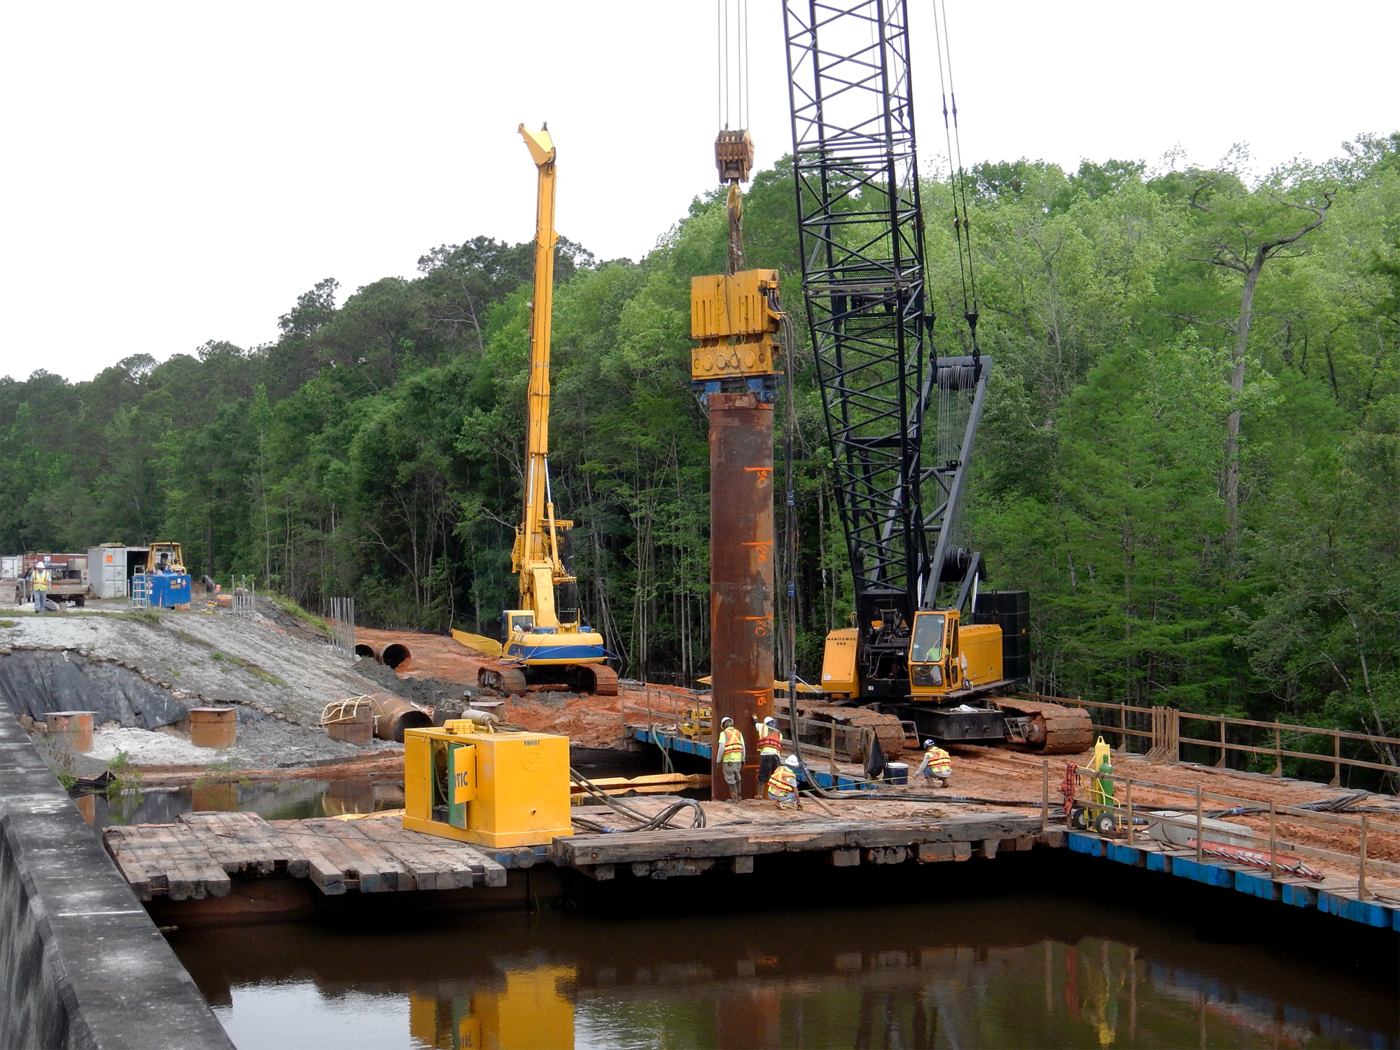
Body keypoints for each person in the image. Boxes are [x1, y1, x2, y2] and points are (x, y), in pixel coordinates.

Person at [718, 716, 745, 799]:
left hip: (729, 760)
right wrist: (743, 758)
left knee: (730, 779)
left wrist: (718, 760)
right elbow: (743, 746)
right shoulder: (738, 732)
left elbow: (721, 747)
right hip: (738, 760)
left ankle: (734, 798)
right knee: (737, 777)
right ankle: (739, 797)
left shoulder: (723, 734)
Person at [755, 715, 782, 798]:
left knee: (762, 774)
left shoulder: (763, 727)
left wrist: (755, 718)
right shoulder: (778, 732)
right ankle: (777, 795)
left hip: (766, 755)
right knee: (776, 776)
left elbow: (756, 725)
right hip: (776, 756)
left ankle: (760, 794)